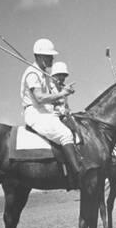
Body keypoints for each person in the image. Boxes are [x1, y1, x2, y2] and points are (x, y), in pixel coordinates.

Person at [20, 39, 83, 190]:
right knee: (65, 134)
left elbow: (51, 98)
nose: (52, 59)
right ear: (40, 56)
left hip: (45, 112)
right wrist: (62, 93)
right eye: (49, 56)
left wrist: (62, 94)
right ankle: (78, 175)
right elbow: (40, 98)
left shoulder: (43, 74)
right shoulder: (32, 74)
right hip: (35, 113)